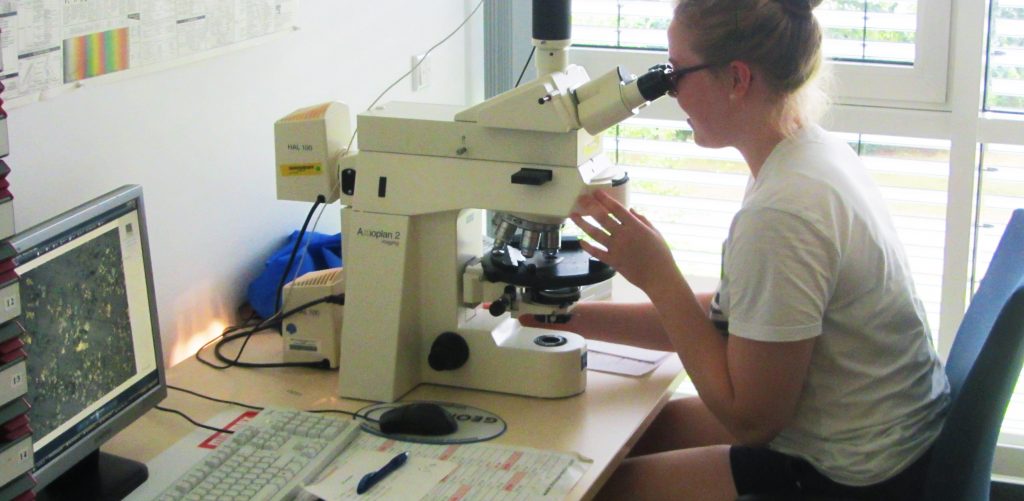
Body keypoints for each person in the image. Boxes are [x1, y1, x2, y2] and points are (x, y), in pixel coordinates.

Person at [522, 0, 950, 499]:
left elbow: (750, 421)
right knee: (618, 431)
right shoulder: (807, 154)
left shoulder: (783, 212)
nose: (669, 90)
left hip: (853, 475)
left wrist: (658, 274)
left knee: (590, 488)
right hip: (884, 437)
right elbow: (743, 323)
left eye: (677, 72)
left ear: (738, 78)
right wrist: (565, 317)